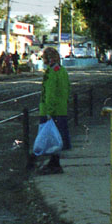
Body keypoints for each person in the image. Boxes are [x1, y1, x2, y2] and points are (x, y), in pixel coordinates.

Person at [35, 46, 70, 175]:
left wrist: (49, 111)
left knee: (50, 138)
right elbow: (67, 88)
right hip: (61, 109)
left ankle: (54, 164)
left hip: (51, 111)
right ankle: (54, 162)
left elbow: (50, 93)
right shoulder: (62, 70)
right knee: (57, 137)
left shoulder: (51, 72)